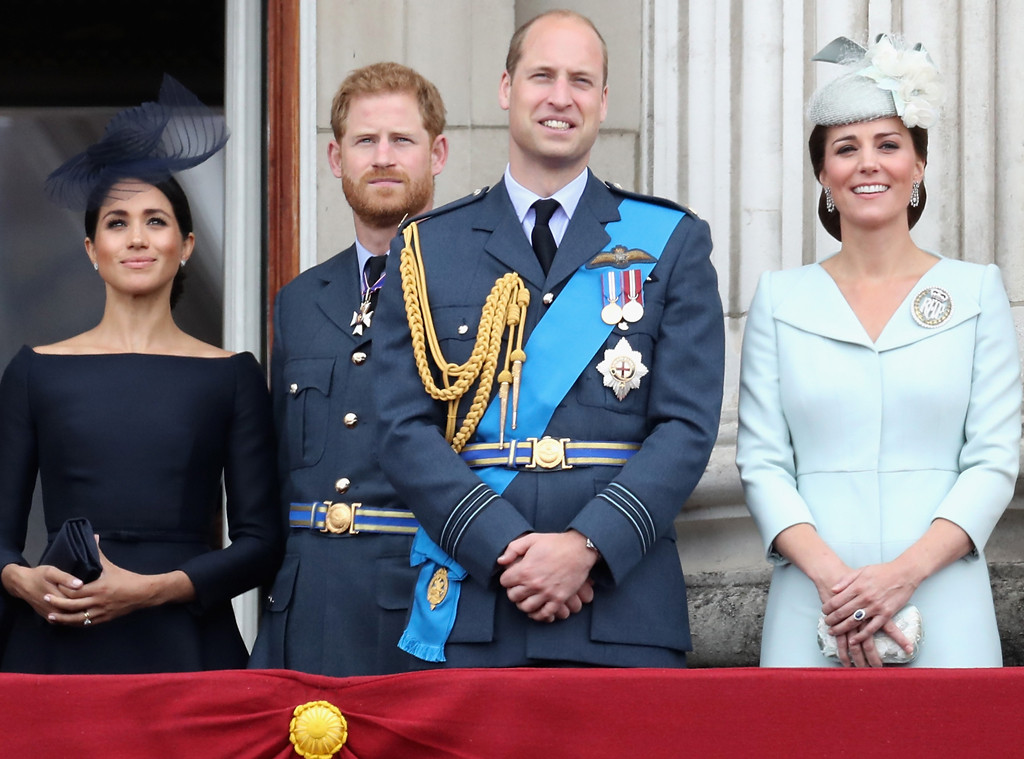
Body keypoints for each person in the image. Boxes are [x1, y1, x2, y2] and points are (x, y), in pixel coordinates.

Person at [373, 10, 724, 667]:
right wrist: (504, 545)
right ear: (507, 88)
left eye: (581, 81)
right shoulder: (426, 247)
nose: (561, 97)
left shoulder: (669, 240)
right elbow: (400, 427)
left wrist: (587, 544)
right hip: (479, 598)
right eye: (542, 76)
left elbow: (686, 425)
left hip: (620, 604)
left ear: (603, 101)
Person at [736, 35, 1021, 667]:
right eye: (846, 148)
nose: (869, 163)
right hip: (815, 600)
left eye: (889, 144)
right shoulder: (780, 299)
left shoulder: (975, 292)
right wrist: (839, 585)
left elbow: (994, 459)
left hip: (945, 595)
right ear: (823, 174)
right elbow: (761, 463)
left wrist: (901, 575)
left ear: (918, 165)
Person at [0, 76, 281, 673]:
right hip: (59, 638)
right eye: (117, 222)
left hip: (185, 644)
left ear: (186, 245)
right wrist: (21, 578)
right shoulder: (34, 372)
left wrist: (152, 588)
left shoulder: (231, 376)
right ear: (90, 248)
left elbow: (261, 544)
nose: (136, 238)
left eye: (156, 221)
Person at [248, 62, 448, 675]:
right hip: (304, 607)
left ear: (437, 153)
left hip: (422, 608)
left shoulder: (482, 287)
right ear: (336, 158)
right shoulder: (300, 299)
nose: (383, 157)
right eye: (365, 141)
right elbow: (282, 470)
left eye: (401, 140)